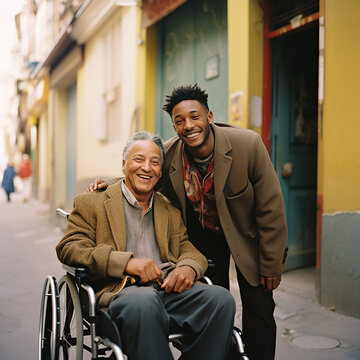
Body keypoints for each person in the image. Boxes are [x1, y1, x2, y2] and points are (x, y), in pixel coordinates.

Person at [89, 84, 288, 360]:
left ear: (209, 116)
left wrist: (272, 262)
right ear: (174, 127)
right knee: (213, 304)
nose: (188, 125)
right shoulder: (169, 153)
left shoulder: (247, 144)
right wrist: (105, 184)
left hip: (247, 235)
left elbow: (271, 207)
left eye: (194, 117)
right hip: (202, 237)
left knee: (260, 309)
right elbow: (143, 175)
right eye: (179, 121)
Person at [57, 131, 236, 360]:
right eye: (138, 159)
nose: (147, 168)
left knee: (221, 300)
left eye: (155, 162)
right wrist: (126, 263)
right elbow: (70, 247)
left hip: (167, 291)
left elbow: (185, 246)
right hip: (121, 294)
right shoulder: (93, 202)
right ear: (123, 165)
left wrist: (188, 267)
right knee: (145, 301)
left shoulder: (169, 209)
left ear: (160, 171)